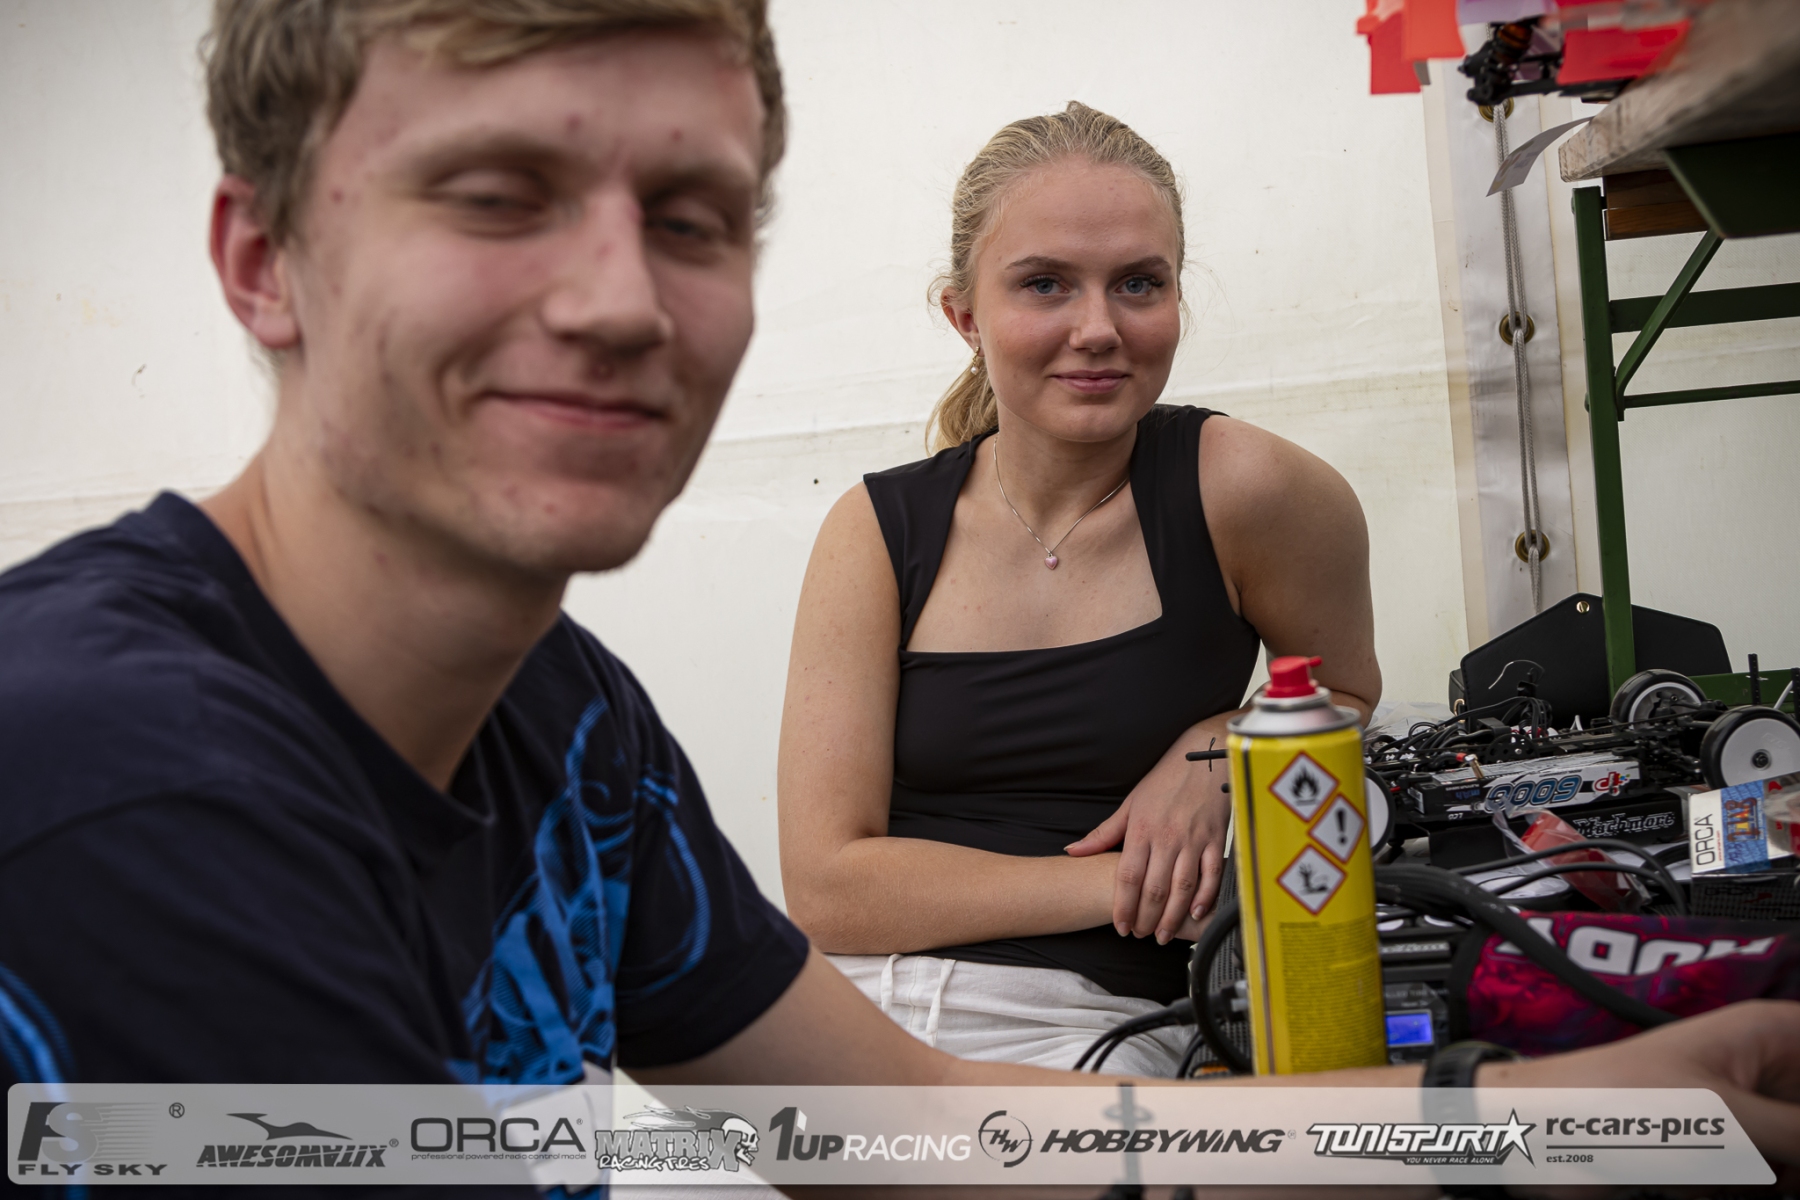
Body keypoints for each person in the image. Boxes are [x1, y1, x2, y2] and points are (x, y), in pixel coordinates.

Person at [0, 1, 1795, 1194]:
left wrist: (1586, 1112)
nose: (620, 302)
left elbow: (916, 1123)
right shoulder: (119, 783)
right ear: (264, 260)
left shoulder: (569, 734)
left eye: (692, 216)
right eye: (495, 198)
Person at [776, 103, 1379, 1073]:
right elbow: (828, 891)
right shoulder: (876, 531)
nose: (1098, 329)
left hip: (1089, 1028)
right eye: (1045, 284)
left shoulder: (1254, 491)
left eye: (1139, 283)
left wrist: (1223, 749)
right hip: (840, 1011)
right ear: (965, 317)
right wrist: (1129, 886)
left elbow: (1346, 691)